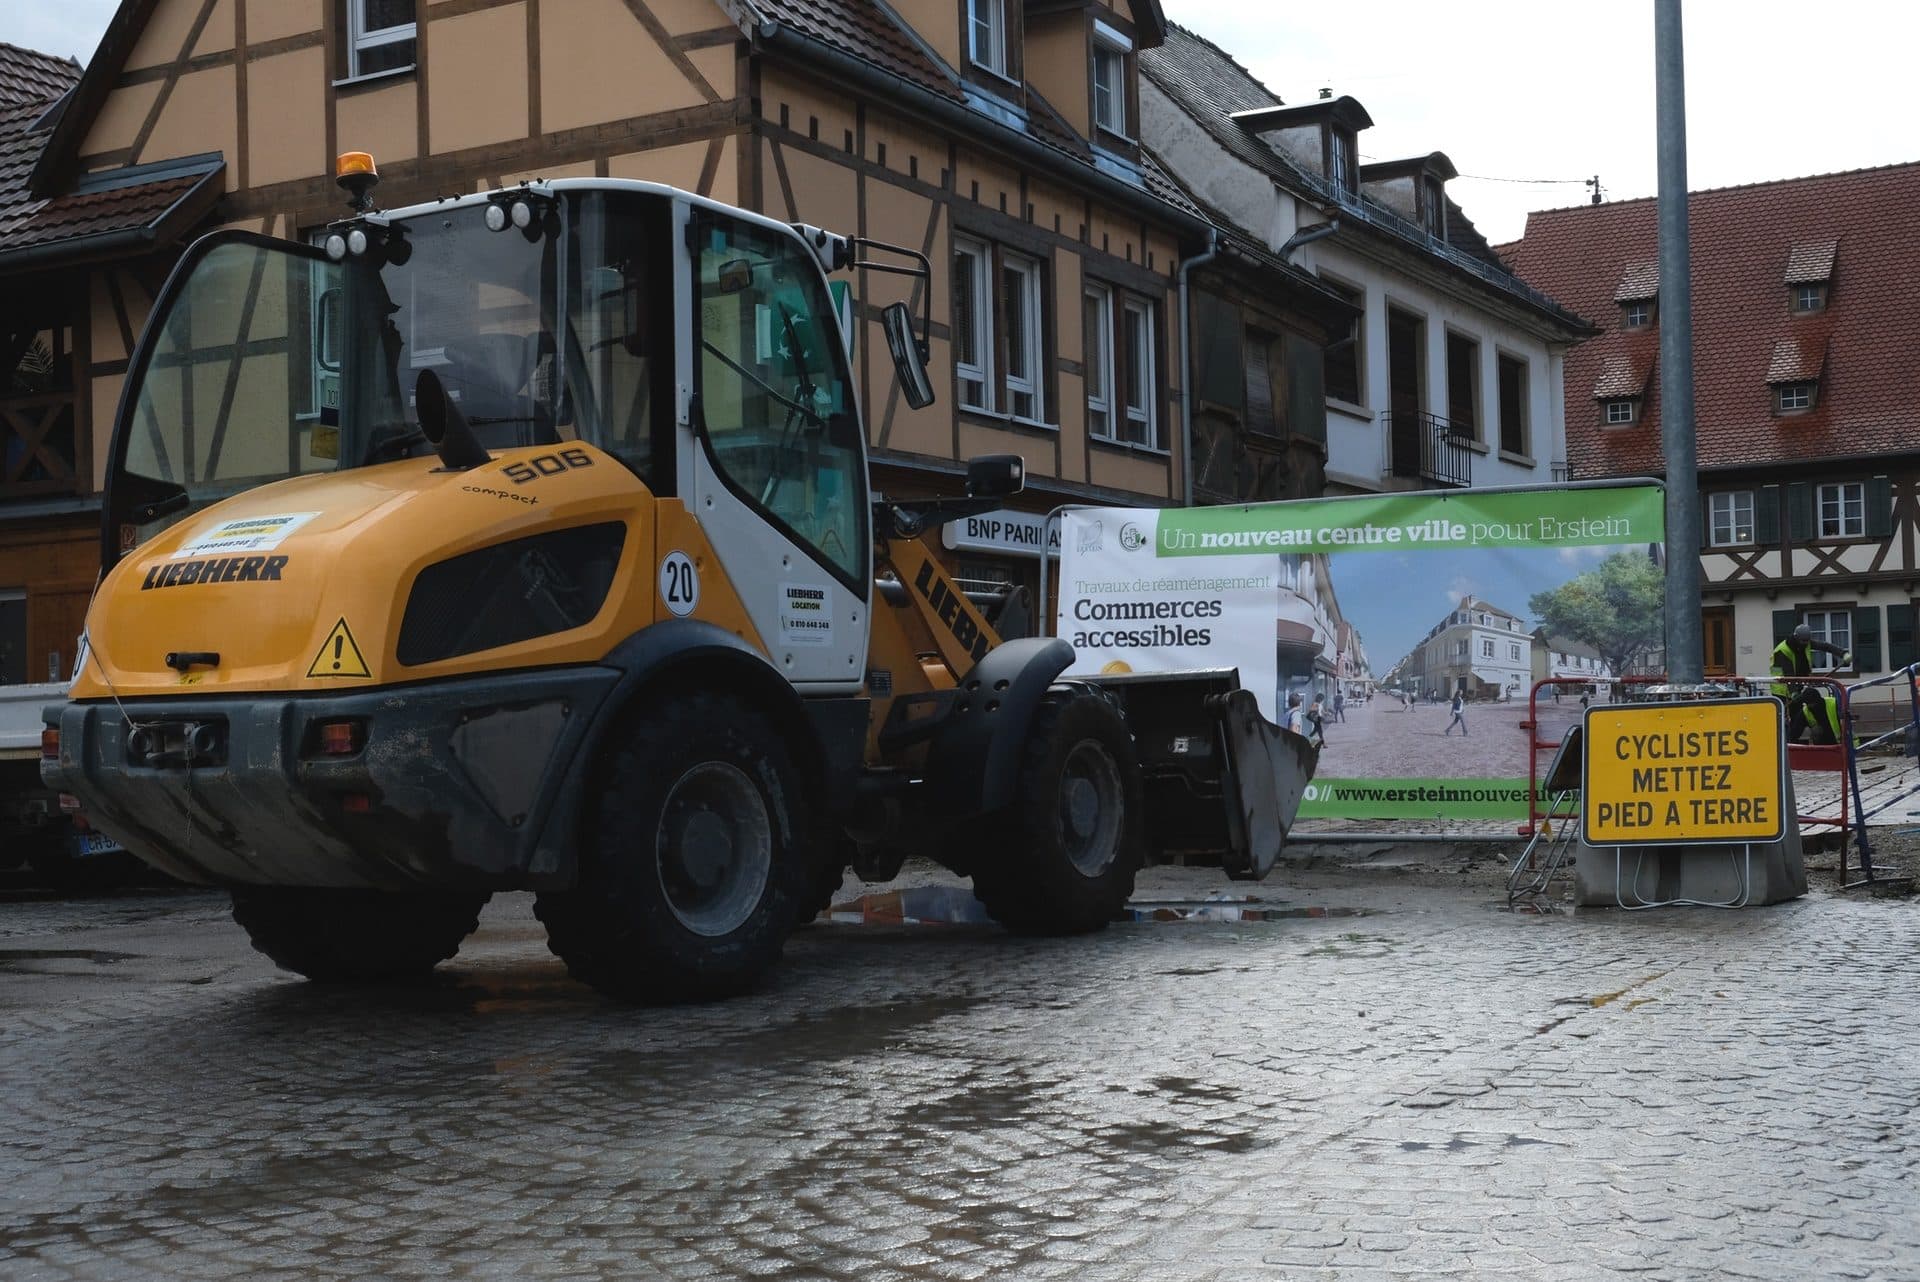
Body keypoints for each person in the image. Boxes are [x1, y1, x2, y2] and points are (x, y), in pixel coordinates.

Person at [1771, 623, 1850, 743]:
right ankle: (1785, 746)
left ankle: (1794, 744)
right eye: (1803, 641)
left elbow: (1825, 646)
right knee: (1785, 720)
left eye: (1806, 641)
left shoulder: (1806, 643)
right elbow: (1788, 675)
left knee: (1797, 718)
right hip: (1781, 690)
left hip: (1796, 686)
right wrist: (1793, 692)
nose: (1805, 644)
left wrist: (1843, 653)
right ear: (1796, 637)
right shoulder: (1783, 650)